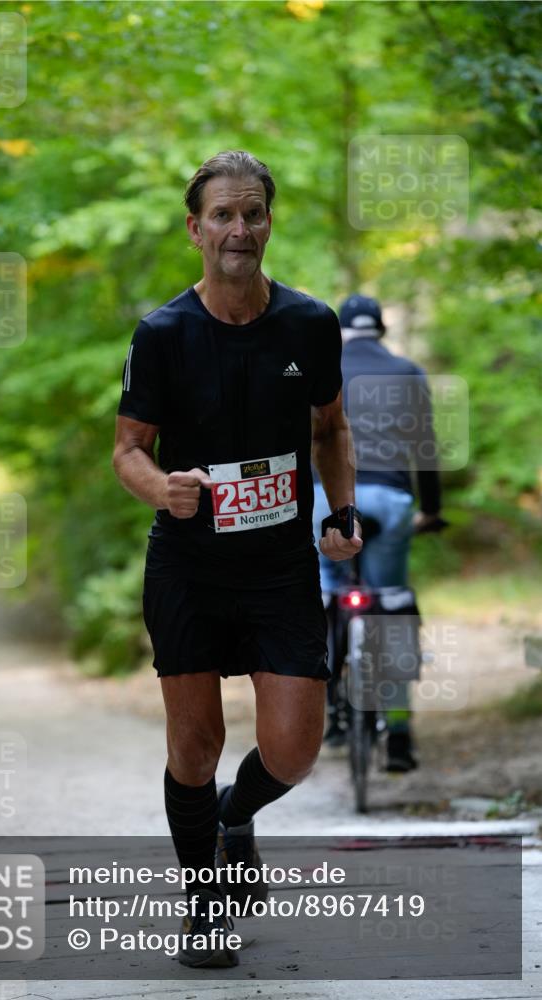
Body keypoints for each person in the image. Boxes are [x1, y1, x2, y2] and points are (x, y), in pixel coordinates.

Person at [113, 151, 362, 968]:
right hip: (188, 566)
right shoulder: (162, 334)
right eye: (221, 215)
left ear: (267, 222)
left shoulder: (308, 323)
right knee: (193, 745)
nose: (238, 229)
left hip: (281, 566)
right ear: (195, 229)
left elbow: (329, 428)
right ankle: (204, 908)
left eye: (251, 213)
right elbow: (128, 452)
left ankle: (232, 813)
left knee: (293, 749)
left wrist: (341, 509)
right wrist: (162, 490)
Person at [312, 294, 444, 772]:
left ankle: (331, 712)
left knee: (324, 593)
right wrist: (431, 510)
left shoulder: (320, 366)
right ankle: (401, 737)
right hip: (390, 500)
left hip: (329, 501)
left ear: (342, 332)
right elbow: (425, 449)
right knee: (390, 604)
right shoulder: (408, 373)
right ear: (381, 331)